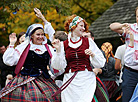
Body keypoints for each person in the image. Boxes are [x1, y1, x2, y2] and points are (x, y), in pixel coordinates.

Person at [0, 9, 61, 102]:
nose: (40, 37)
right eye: (38, 34)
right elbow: (9, 61)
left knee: (54, 97)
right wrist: (12, 44)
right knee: (32, 98)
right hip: (26, 80)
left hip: (44, 79)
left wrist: (44, 19)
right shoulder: (25, 47)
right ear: (31, 35)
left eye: (42, 34)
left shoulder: (48, 48)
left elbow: (54, 36)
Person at [51, 14, 106, 102]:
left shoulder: (88, 42)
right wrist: (58, 51)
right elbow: (57, 66)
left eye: (84, 26)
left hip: (86, 79)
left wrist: (93, 55)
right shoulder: (63, 45)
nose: (83, 28)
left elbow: (101, 63)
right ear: (73, 26)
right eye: (81, 26)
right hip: (70, 80)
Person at [109, 6, 138, 102]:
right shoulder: (130, 28)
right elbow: (112, 26)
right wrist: (122, 26)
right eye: (137, 16)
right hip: (131, 72)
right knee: (127, 98)